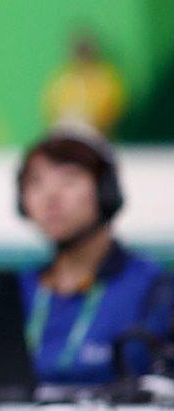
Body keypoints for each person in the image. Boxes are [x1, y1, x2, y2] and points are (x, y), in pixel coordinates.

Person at [18, 133, 172, 385]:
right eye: (35, 182)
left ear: (105, 190)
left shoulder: (155, 289)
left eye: (69, 179)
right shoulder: (18, 288)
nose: (50, 196)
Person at [44, 29, 126, 137]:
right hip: (65, 134)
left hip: (97, 136)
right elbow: (51, 109)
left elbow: (114, 111)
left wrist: (88, 120)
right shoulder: (62, 79)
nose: (82, 54)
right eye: (79, 50)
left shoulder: (107, 79)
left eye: (85, 50)